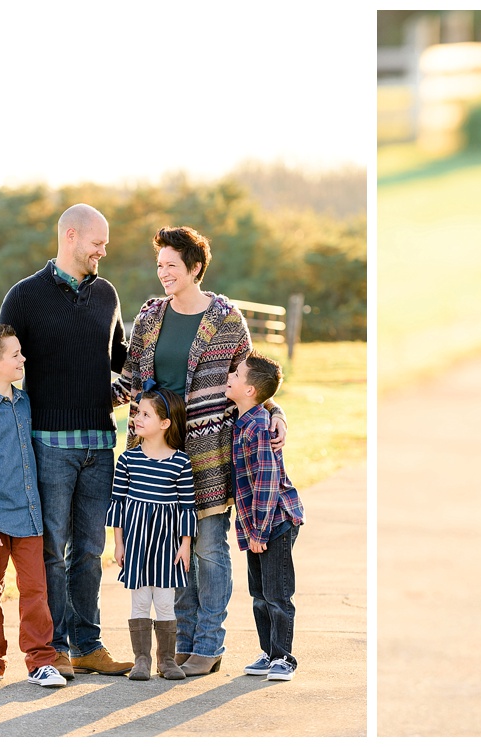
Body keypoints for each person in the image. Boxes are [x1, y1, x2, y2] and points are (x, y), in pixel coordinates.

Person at [0, 204, 133, 679]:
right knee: (51, 550)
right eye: (98, 242)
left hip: (100, 443)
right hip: (49, 444)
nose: (103, 251)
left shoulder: (107, 294)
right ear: (71, 236)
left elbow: (120, 358)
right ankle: (51, 651)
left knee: (89, 550)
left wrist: (135, 384)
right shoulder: (25, 296)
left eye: (105, 244)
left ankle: (87, 644)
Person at [112, 225, 287, 677]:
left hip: (209, 456)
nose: (163, 273)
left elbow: (253, 381)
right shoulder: (150, 317)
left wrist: (276, 412)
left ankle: (209, 643)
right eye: (159, 265)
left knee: (208, 549)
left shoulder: (227, 320)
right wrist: (75, 399)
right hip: (156, 455)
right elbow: (130, 381)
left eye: (172, 265)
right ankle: (183, 644)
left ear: (194, 268)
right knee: (174, 552)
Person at [0, 323, 66, 689]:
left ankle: (40, 663)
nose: (23, 359)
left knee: (36, 592)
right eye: (15, 354)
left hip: (28, 517)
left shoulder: (24, 403)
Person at [226, 351, 305, 682]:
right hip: (256, 525)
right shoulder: (241, 419)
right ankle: (268, 652)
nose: (230, 375)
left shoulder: (258, 425)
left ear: (250, 390)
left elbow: (267, 483)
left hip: (274, 524)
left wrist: (258, 532)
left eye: (237, 374)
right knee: (259, 595)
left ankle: (284, 657)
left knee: (277, 594)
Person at [108, 385, 196, 681]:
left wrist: (185, 545)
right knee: (140, 601)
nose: (137, 419)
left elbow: (187, 507)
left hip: (166, 547)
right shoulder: (128, 460)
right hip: (137, 545)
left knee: (165, 602)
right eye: (137, 413)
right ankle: (141, 660)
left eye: (145, 414)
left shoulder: (180, 462)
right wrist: (118, 544)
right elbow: (118, 503)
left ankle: (167, 660)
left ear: (165, 423)